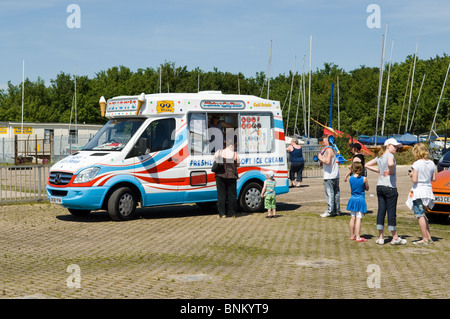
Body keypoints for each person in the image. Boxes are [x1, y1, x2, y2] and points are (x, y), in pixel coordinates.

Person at [365, 138, 406, 245]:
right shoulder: (389, 155)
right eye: (394, 146)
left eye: (397, 147)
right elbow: (391, 164)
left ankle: (381, 237)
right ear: (388, 146)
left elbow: (367, 165)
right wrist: (390, 171)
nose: (396, 148)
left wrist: (380, 170)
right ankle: (395, 237)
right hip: (390, 187)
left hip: (380, 186)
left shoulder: (380, 156)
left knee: (381, 211)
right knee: (391, 212)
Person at [406, 143, 436, 245]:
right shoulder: (432, 163)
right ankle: (428, 236)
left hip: (419, 190)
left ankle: (424, 239)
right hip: (428, 189)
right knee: (423, 214)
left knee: (420, 215)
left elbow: (414, 180)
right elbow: (434, 178)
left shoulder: (416, 164)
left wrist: (411, 174)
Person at [213, 136, 240, 218]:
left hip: (220, 176)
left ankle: (222, 213)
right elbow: (238, 165)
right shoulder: (235, 154)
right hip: (231, 176)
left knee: (221, 195)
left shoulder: (219, 152)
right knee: (232, 195)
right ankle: (233, 213)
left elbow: (214, 163)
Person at [318, 135, 341, 217]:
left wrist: (320, 158)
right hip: (335, 174)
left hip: (329, 175)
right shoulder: (334, 149)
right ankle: (337, 210)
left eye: (324, 141)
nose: (323, 143)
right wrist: (321, 161)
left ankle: (330, 211)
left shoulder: (328, 150)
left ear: (328, 141)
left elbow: (327, 162)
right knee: (336, 193)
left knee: (330, 193)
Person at [347, 162, 369, 242]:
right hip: (360, 200)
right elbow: (367, 188)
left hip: (353, 199)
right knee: (358, 218)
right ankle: (358, 236)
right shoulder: (364, 178)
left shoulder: (351, 178)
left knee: (352, 217)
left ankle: (352, 235)